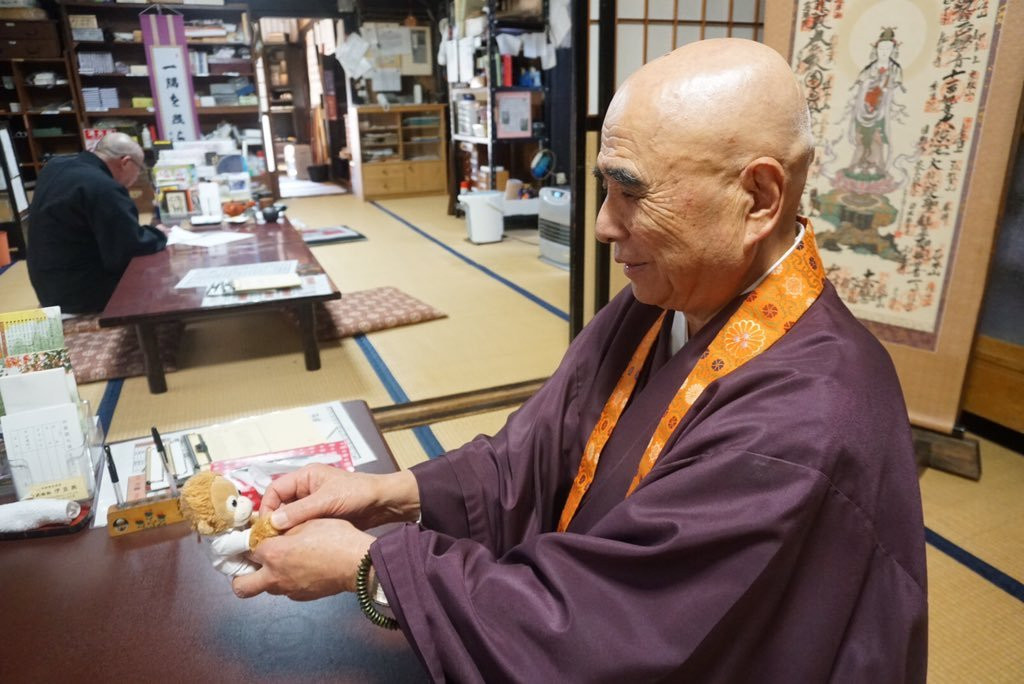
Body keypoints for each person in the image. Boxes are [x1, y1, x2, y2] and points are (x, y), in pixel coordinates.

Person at [233, 39, 928, 682]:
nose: (601, 223)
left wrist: (368, 566)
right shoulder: (668, 300)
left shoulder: (806, 417)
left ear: (758, 197)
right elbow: (532, 457)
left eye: (631, 192)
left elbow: (620, 623)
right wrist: (389, 494)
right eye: (604, 188)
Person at [27, 132, 167, 314]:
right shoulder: (103, 187)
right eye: (139, 169)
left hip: (48, 284)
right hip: (78, 293)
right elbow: (129, 248)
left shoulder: (55, 166)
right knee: (158, 278)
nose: (137, 176)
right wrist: (159, 234)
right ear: (125, 162)